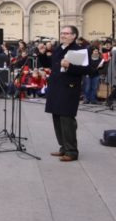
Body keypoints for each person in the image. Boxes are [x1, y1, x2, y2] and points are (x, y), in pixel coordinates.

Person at [37, 25, 91, 162]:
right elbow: (50, 64)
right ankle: (63, 147)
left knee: (67, 119)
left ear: (74, 36)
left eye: (66, 33)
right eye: (62, 33)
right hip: (56, 87)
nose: (63, 35)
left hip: (69, 88)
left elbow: (86, 70)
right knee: (57, 118)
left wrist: (70, 66)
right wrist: (42, 54)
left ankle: (72, 151)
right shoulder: (58, 49)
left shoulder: (79, 50)